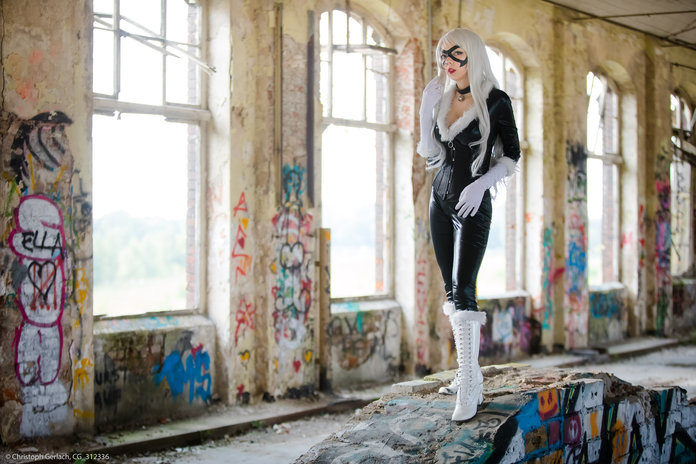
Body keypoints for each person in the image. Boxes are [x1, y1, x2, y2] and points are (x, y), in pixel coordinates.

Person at [417, 28, 521, 421]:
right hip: (439, 200)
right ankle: (467, 374)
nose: (448, 62)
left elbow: (512, 155)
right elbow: (431, 152)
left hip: (472, 202)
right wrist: (425, 110)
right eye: (443, 55)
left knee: (464, 290)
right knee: (451, 290)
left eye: (455, 54)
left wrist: (482, 185)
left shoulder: (496, 100)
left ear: (472, 54)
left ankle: (471, 386)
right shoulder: (445, 98)